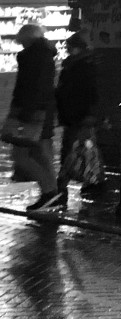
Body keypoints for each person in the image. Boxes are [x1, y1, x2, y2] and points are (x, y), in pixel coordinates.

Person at [7, 22, 60, 214]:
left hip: (31, 113)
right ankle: (54, 193)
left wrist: (23, 112)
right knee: (43, 153)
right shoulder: (46, 55)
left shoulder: (31, 57)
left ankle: (49, 191)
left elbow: (27, 88)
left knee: (20, 154)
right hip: (43, 111)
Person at [56, 32, 102, 197]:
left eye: (70, 46)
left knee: (74, 148)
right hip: (73, 114)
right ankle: (91, 180)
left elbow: (91, 91)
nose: (68, 50)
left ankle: (64, 184)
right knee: (83, 148)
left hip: (80, 114)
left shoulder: (85, 65)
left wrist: (90, 114)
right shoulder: (72, 64)